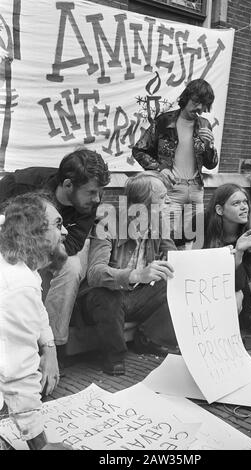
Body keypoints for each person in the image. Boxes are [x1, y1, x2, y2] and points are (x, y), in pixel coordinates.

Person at [0, 148, 110, 347]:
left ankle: (52, 345)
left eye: (100, 192)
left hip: (54, 248)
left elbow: (75, 242)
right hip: (11, 246)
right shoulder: (19, 185)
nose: (97, 199)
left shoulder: (88, 204)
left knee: (72, 267)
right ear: (68, 184)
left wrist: (41, 253)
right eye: (92, 192)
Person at [79, 172, 179, 376]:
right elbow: (95, 274)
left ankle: (149, 338)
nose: (168, 201)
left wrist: (221, 256)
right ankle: (113, 356)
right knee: (105, 295)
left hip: (137, 297)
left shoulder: (159, 224)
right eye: (162, 197)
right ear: (142, 204)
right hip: (107, 300)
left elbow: (176, 261)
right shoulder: (107, 225)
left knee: (174, 281)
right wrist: (136, 275)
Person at [0, 193, 71, 450]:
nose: (64, 232)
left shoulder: (18, 263)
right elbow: (16, 373)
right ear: (35, 233)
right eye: (58, 224)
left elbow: (38, 310)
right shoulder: (16, 283)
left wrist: (49, 348)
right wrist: (40, 445)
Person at [132, 78, 218, 247]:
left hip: (196, 190)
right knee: (168, 240)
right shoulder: (164, 121)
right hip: (171, 190)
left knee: (193, 241)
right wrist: (159, 169)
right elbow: (139, 150)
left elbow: (211, 164)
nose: (199, 108)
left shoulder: (204, 124)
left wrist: (209, 147)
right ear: (186, 98)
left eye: (203, 104)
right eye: (196, 102)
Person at [203, 183, 251, 329]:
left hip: (234, 289)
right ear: (219, 210)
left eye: (245, 202)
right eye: (236, 203)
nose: (244, 207)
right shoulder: (201, 225)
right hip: (203, 288)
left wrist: (239, 252)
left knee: (237, 296)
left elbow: (238, 284)